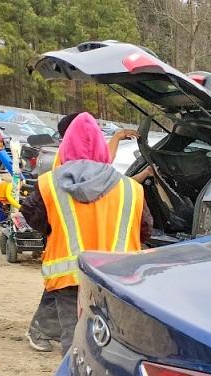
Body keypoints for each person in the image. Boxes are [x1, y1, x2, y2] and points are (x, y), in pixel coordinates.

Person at [21, 113, 152, 354]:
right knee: (114, 346)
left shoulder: (49, 183)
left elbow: (33, 216)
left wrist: (56, 230)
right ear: (102, 147)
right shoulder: (131, 189)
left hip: (70, 278)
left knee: (75, 341)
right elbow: (145, 230)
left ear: (66, 146)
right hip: (116, 280)